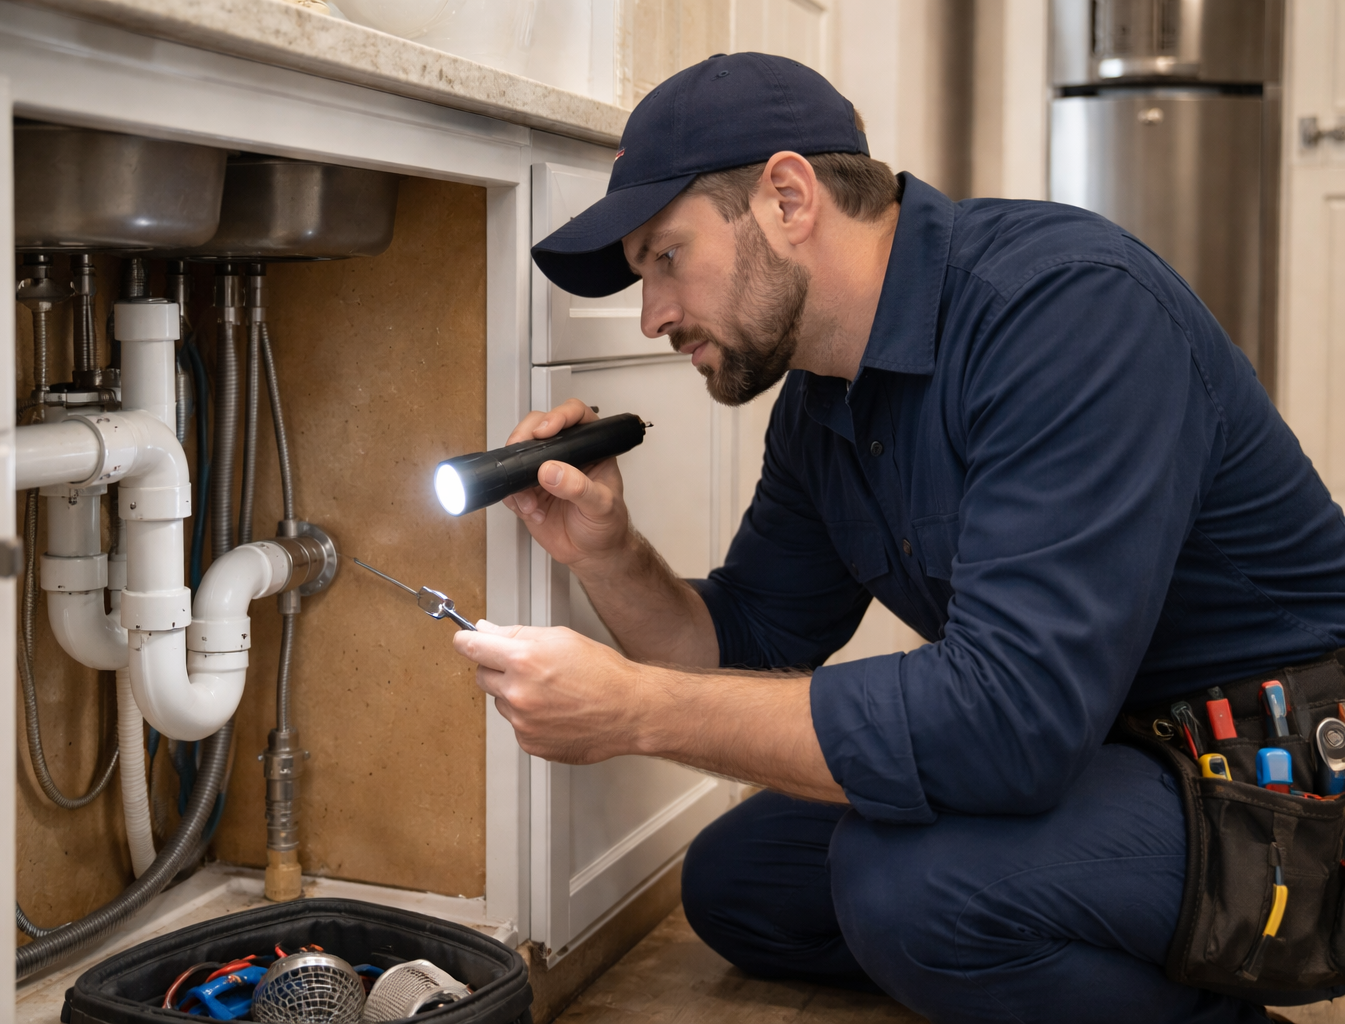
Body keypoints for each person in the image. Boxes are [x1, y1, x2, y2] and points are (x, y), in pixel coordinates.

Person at [450, 52, 1345, 1023]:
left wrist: (636, 711)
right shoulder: (822, 402)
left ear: (789, 197)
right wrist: (605, 549)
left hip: (1286, 783)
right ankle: (1073, 944)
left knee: (909, 887)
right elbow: (743, 644)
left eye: (665, 256)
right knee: (741, 881)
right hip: (1110, 752)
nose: (653, 313)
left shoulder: (1064, 310)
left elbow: (1012, 720)